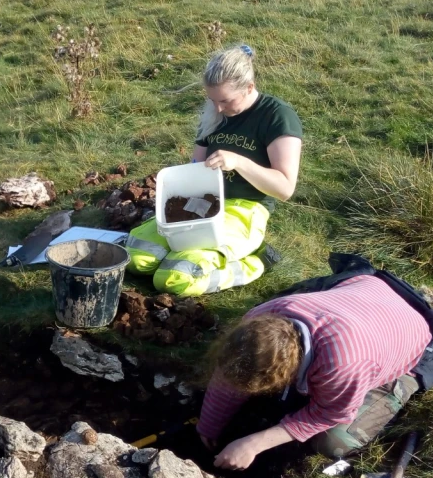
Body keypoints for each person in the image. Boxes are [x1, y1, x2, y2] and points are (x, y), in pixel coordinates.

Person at [195, 252, 433, 469]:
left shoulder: (343, 365)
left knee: (334, 442)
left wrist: (254, 443)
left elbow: (328, 414)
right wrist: (209, 425)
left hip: (413, 338)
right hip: (368, 294)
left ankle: (400, 384)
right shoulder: (262, 316)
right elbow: (229, 372)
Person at [126, 44, 303, 295]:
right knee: (136, 257)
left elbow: (285, 188)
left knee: (175, 278)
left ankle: (255, 262)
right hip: (204, 203)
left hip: (245, 208)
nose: (218, 108)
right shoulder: (214, 114)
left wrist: (240, 162)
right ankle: (201, 250)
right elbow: (196, 166)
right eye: (212, 99)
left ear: (249, 87)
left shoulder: (277, 116)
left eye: (225, 101)